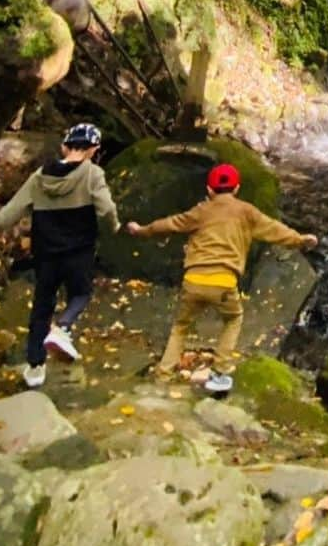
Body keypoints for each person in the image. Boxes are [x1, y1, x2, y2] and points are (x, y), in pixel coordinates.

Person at [127, 162, 316, 394]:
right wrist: (300, 240)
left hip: (194, 281)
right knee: (233, 319)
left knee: (181, 326)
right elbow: (274, 229)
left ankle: (163, 377)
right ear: (236, 189)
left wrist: (141, 230)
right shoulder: (247, 212)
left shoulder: (201, 211)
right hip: (224, 282)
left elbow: (169, 224)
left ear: (209, 189)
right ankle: (220, 371)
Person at [0, 122, 119, 388]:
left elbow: (9, 213)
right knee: (80, 294)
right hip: (78, 251)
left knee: (42, 305)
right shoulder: (92, 174)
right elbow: (107, 209)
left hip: (45, 254)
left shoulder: (40, 176)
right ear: (93, 150)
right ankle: (63, 327)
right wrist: (114, 225)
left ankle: (35, 366)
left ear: (64, 147)